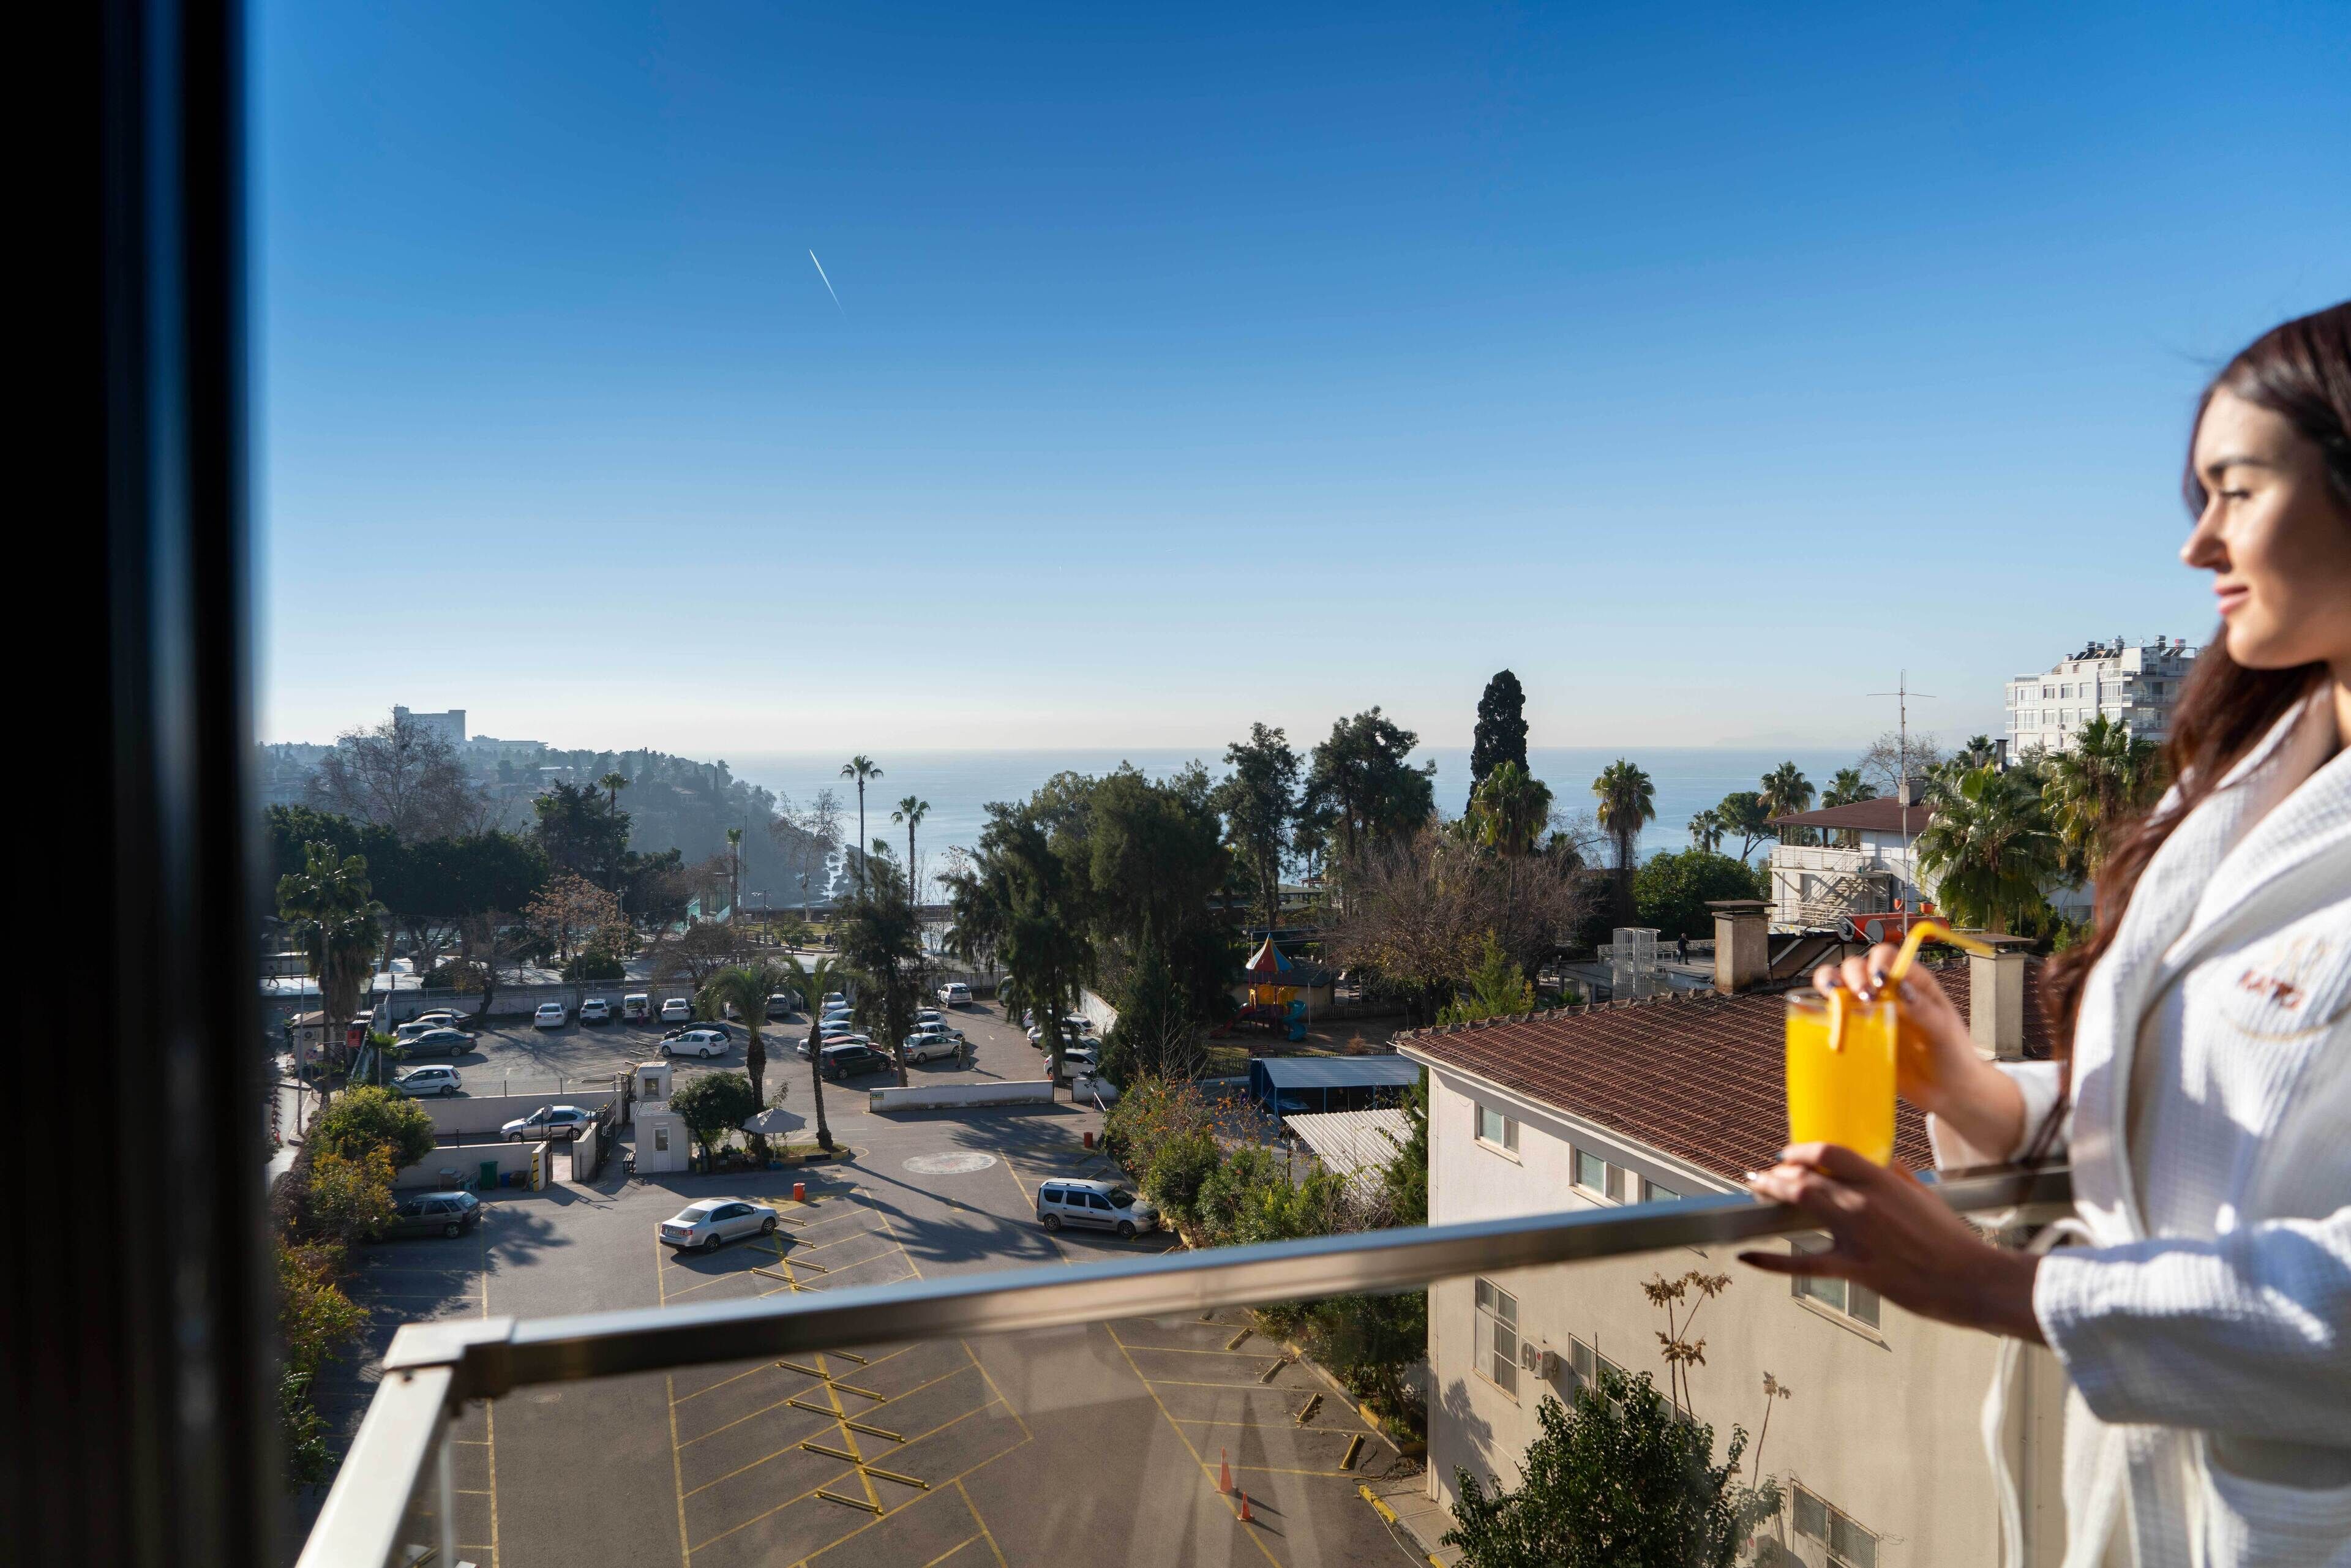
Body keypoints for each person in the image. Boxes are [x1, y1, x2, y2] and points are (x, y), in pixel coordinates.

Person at [1742, 302, 2351, 1567]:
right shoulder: (2239, 786)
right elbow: (2200, 1121)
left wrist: (1994, 1286)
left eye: (2236, 491)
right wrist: (1977, 1092)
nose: (2197, 543)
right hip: (2140, 1501)